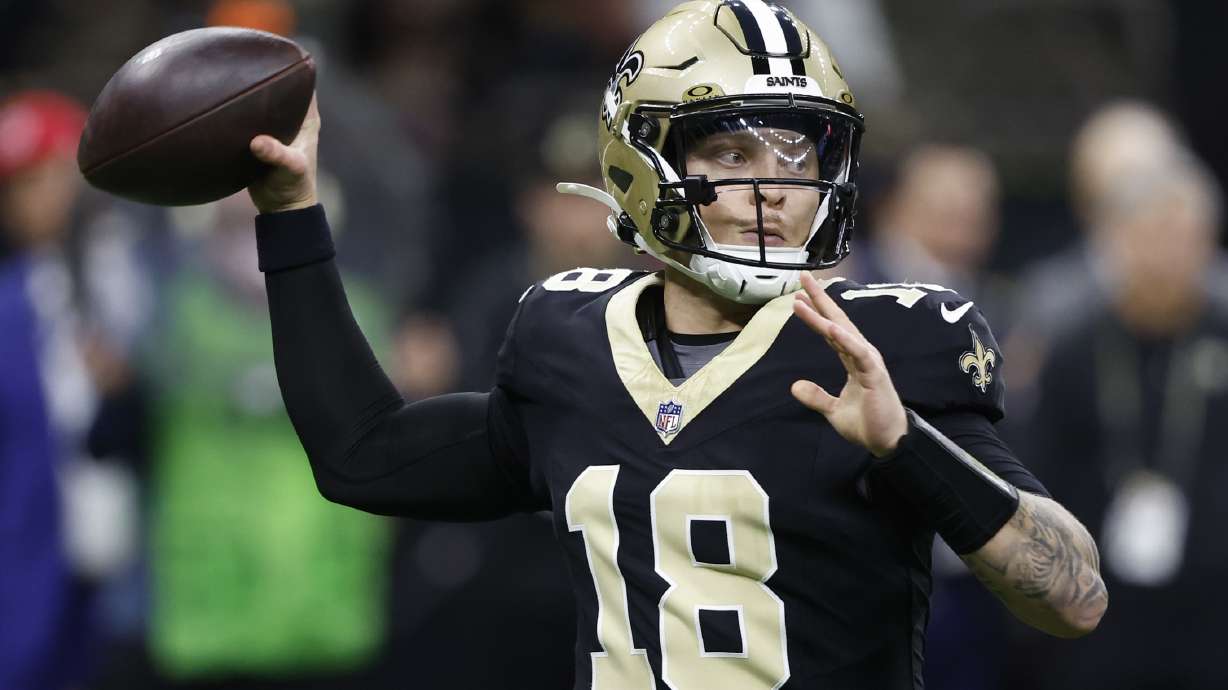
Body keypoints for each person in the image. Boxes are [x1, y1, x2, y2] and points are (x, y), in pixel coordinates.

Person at [244, 2, 1106, 687]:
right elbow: (363, 457)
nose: (772, 188)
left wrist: (907, 444)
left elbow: (1074, 599)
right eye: (731, 152)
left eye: (799, 157)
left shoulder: (885, 345)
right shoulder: (567, 339)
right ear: (639, 165)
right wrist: (291, 217)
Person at [1016, 157, 1228, 690]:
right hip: (1095, 614)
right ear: (1116, 243)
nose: (1169, 256)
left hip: (1213, 612)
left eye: (1186, 238)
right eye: (1153, 236)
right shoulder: (1073, 350)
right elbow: (1037, 479)